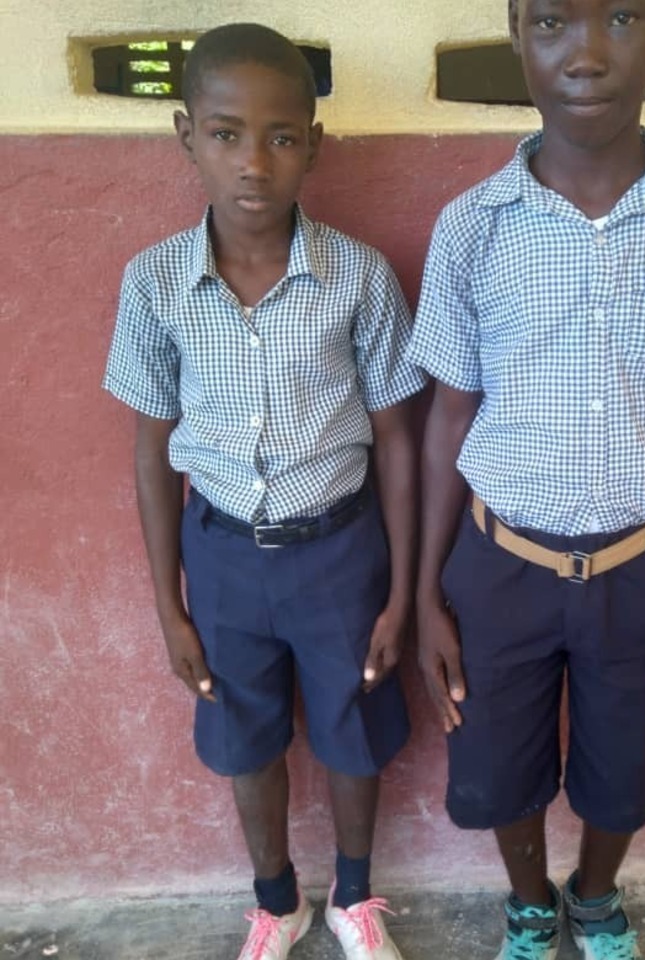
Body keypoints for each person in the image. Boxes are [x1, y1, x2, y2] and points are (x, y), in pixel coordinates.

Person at [409, 1, 645, 958]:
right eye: (553, 23)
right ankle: (530, 904)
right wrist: (426, 598)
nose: (588, 55)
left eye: (620, 17)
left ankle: (597, 894)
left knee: (625, 772)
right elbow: (449, 415)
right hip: (497, 565)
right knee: (494, 768)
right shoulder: (473, 227)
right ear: (516, 32)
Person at [103, 23, 424, 960]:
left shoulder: (358, 277)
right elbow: (152, 447)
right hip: (224, 553)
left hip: (342, 552)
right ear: (185, 136)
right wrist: (171, 606)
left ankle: (353, 898)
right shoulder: (156, 282)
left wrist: (403, 591)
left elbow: (399, 437)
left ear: (314, 146)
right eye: (226, 132)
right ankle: (276, 900)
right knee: (244, 738)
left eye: (282, 136)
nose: (254, 161)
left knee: (355, 725)